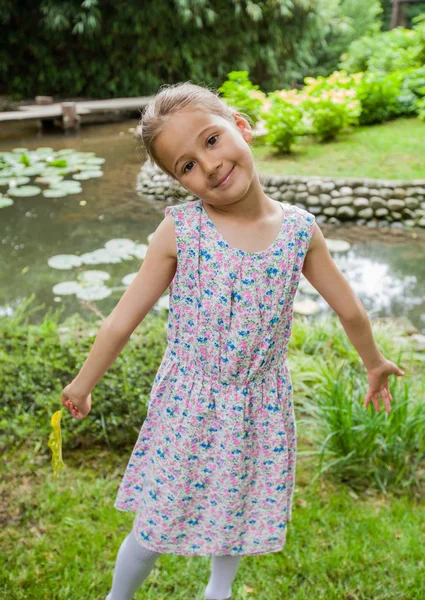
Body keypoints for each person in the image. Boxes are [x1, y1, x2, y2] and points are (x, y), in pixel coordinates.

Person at [61, 82, 405, 600]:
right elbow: (119, 322)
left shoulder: (298, 231)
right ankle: (118, 597)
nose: (209, 165)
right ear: (179, 183)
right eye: (187, 166)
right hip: (189, 402)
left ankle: (218, 592)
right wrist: (84, 384)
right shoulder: (181, 231)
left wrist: (374, 362)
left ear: (241, 127)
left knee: (236, 513)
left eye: (212, 140)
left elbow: (350, 308)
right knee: (154, 523)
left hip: (258, 407)